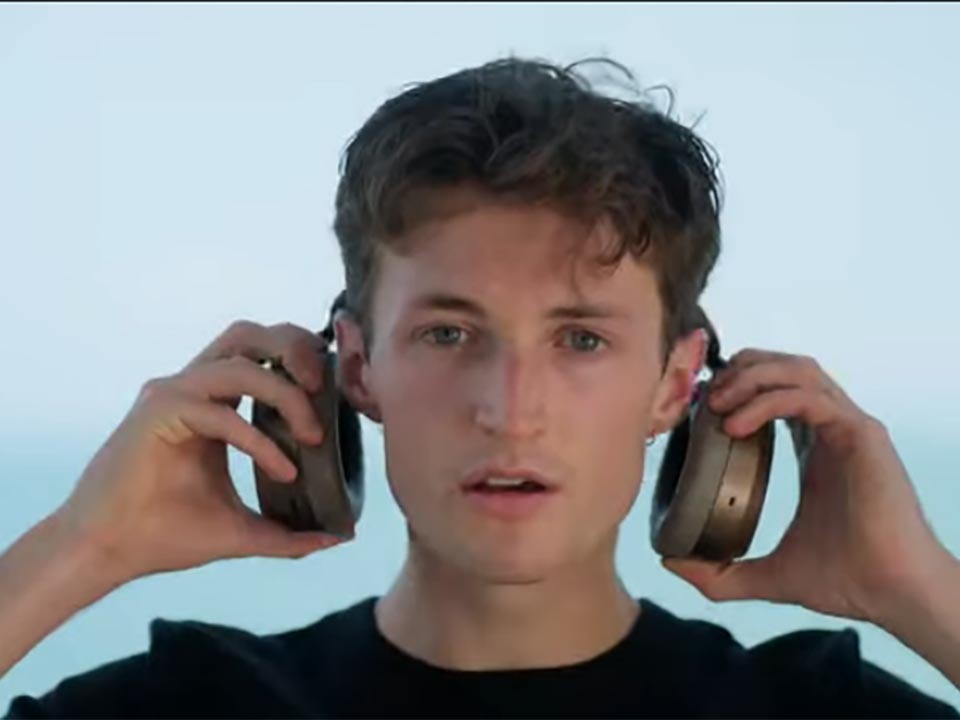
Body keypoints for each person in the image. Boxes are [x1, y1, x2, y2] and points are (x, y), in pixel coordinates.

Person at [2, 56, 958, 719]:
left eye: (581, 338)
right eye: (449, 333)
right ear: (357, 369)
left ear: (675, 387)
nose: (509, 409)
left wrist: (916, 591)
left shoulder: (821, 711)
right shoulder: (188, 707)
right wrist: (83, 547)